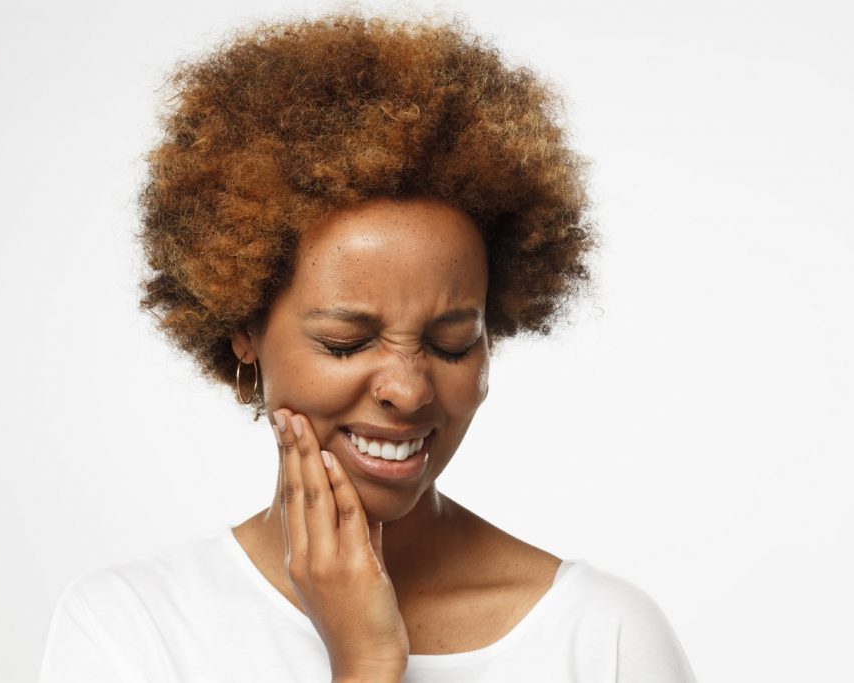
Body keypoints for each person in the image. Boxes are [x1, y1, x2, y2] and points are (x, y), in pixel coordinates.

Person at [39, 13, 697, 683]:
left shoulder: (601, 638)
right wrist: (365, 663)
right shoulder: (132, 631)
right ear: (243, 325)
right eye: (347, 342)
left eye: (450, 344)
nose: (408, 391)